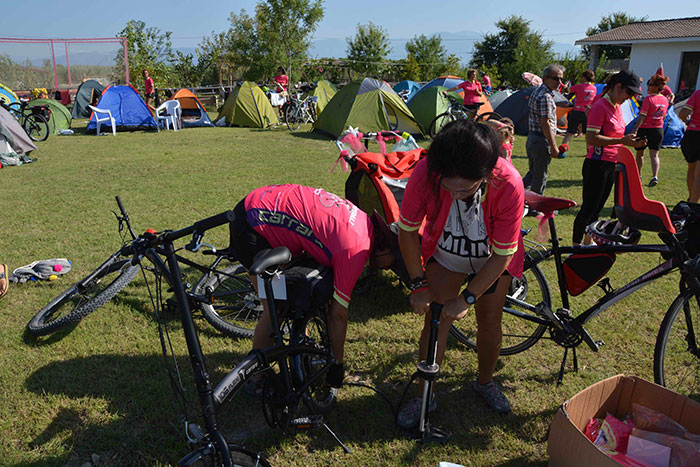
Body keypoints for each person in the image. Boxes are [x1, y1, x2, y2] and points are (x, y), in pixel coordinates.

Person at [396, 119, 524, 428]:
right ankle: (426, 392)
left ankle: (484, 381)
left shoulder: (507, 181)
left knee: (490, 318)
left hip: (492, 256)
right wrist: (418, 283)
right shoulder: (426, 173)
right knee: (436, 316)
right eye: (447, 187)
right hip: (447, 252)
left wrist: (467, 298)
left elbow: (503, 253)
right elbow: (407, 231)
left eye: (465, 190)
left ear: (486, 173)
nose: (454, 196)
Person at [228, 184, 404, 395]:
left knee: (296, 295)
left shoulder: (363, 222)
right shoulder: (355, 251)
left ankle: (300, 349)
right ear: (384, 248)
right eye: (393, 262)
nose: (389, 267)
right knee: (275, 311)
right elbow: (337, 316)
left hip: (266, 201)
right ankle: (256, 378)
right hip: (253, 223)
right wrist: (337, 364)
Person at [572, 70, 648, 245]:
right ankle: (575, 248)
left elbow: (617, 136)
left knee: (598, 209)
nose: (630, 98)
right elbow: (591, 138)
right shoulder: (600, 106)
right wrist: (621, 140)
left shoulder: (618, 107)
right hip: (596, 164)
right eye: (629, 93)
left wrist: (632, 142)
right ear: (618, 86)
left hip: (611, 163)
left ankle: (587, 242)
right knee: (588, 209)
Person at [523, 64, 565, 194]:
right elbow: (545, 122)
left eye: (561, 79)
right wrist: (553, 146)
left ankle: (517, 195)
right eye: (556, 79)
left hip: (533, 138)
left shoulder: (537, 91)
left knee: (533, 174)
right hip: (541, 140)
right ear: (546, 78)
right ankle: (535, 206)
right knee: (539, 177)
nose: (560, 83)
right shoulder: (546, 96)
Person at [631, 74, 670, 187]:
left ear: (657, 87)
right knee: (654, 155)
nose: (648, 86)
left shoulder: (648, 99)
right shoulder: (664, 100)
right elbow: (663, 116)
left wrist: (635, 129)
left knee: (640, 154)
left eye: (651, 84)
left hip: (645, 129)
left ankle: (638, 175)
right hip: (658, 129)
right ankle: (654, 176)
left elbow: (642, 116)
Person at [562, 70, 597, 148]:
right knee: (587, 133)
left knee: (570, 132)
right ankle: (590, 151)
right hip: (588, 112)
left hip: (577, 111)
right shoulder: (594, 88)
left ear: (584, 78)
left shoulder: (578, 87)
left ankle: (563, 148)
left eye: (581, 77)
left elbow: (567, 90)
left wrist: (566, 85)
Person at [678, 89, 700, 203]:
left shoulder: (697, 93)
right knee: (699, 174)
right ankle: (693, 204)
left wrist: (688, 121)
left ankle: (691, 198)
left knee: (691, 169)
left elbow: (682, 114)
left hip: (692, 135)